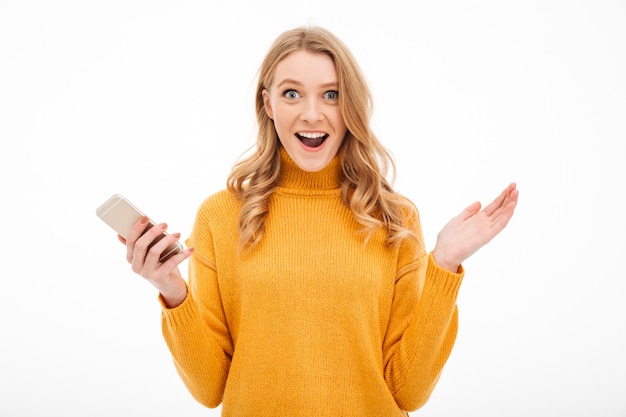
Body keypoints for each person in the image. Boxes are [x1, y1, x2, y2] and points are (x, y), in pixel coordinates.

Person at [118, 26, 518, 416]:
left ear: (351, 107)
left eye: (331, 95)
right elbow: (210, 389)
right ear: (268, 105)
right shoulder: (221, 216)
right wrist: (171, 289)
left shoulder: (394, 219)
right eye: (292, 94)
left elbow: (408, 391)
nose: (313, 114)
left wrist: (443, 265)